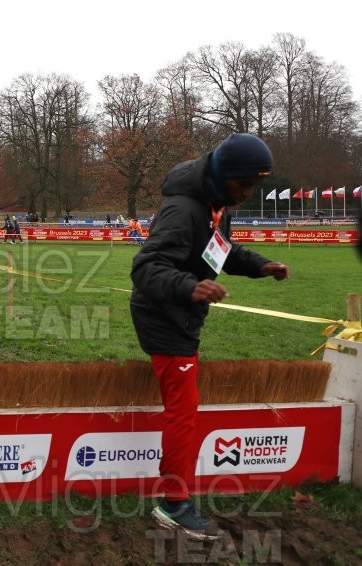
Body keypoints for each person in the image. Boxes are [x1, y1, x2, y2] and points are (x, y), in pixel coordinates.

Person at [130, 133, 290, 540]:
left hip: (183, 315)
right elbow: (146, 268)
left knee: (184, 408)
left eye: (254, 187)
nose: (246, 194)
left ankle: (174, 499)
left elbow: (222, 252)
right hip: (162, 316)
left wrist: (261, 266)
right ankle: (172, 504)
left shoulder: (216, 206)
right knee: (183, 411)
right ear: (222, 175)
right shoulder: (182, 209)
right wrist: (189, 287)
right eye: (243, 185)